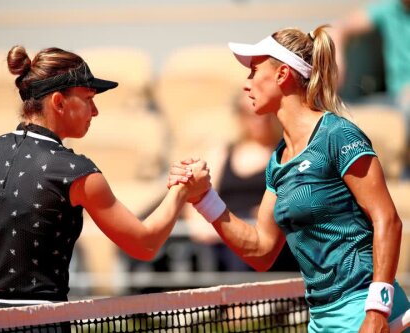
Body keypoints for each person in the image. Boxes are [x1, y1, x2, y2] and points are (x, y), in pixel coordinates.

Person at [0, 46, 210, 315]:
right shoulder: (75, 171)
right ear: (58, 102)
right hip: (43, 323)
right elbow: (145, 244)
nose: (95, 111)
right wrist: (182, 190)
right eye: (88, 98)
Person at [169, 25, 409, 332]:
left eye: (253, 71)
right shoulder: (278, 161)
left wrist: (376, 311)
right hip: (321, 318)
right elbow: (261, 250)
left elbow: (387, 220)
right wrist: (205, 197)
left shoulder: (338, 134)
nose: (247, 84)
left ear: (282, 75)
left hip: (364, 309)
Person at [182, 93, 299, 273]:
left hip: (259, 243)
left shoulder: (286, 155)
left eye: (262, 112)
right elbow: (197, 196)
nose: (257, 119)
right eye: (247, 112)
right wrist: (210, 230)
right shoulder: (221, 153)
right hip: (216, 242)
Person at [331, 0, 410, 173]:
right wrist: (338, 61)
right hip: (394, 96)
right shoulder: (389, 9)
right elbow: (340, 27)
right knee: (342, 112)